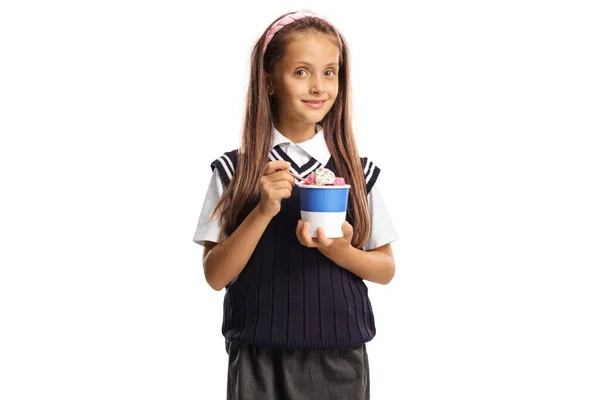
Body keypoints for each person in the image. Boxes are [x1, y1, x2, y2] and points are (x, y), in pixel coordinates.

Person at [192, 10, 398, 400]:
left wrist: (340, 250)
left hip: (339, 358)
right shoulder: (234, 171)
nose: (318, 86)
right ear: (269, 81)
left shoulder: (359, 172)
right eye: (301, 72)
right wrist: (262, 211)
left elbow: (385, 269)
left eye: (329, 72)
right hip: (257, 356)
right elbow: (215, 276)